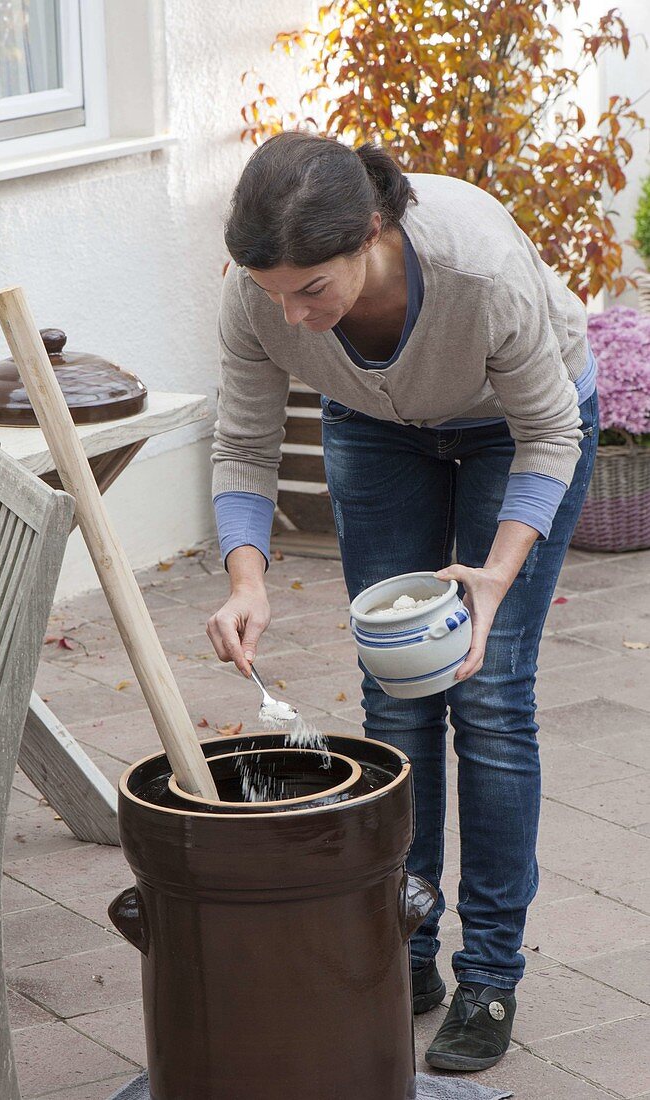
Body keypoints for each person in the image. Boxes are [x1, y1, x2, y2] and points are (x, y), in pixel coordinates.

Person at [206, 131, 598, 1072]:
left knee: (490, 691)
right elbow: (247, 440)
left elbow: (549, 432)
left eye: (315, 290)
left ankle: (491, 976)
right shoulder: (260, 296)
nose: (294, 317)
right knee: (396, 686)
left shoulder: (477, 271)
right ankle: (405, 945)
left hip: (520, 427)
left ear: (374, 232)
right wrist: (247, 578)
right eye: (273, 293)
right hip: (379, 430)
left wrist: (495, 575)